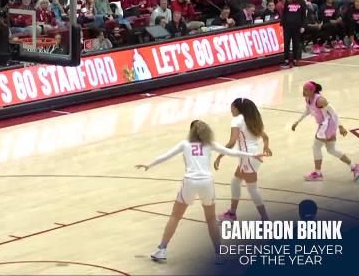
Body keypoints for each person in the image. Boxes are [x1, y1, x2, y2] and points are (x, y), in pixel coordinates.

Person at [135, 120, 265, 263]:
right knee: (211, 220)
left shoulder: (185, 144)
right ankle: (219, 255)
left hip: (190, 182)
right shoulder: (210, 144)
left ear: (191, 131)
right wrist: (252, 155)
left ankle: (162, 249)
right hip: (207, 183)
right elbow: (231, 152)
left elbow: (165, 156)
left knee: (175, 216)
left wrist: (149, 164)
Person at [214, 98, 272, 222]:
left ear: (236, 108)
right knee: (235, 181)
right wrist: (266, 147)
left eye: (232, 107)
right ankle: (232, 213)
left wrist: (220, 155)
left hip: (248, 158)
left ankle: (265, 219)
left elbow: (232, 142)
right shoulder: (250, 119)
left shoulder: (236, 120)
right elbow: (265, 137)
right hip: (252, 156)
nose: (230, 110)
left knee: (252, 188)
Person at [292, 81, 359, 181]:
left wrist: (340, 126)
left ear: (312, 90)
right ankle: (354, 167)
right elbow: (307, 110)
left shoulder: (320, 100)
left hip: (328, 125)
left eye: (305, 89)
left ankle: (318, 173)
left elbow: (334, 113)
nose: (303, 91)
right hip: (323, 125)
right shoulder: (308, 98)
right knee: (331, 150)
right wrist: (297, 121)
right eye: (303, 89)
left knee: (316, 146)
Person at [280, 0, 307, 68]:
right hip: (287, 26)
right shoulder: (288, 1)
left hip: (297, 26)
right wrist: (282, 24)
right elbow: (284, 13)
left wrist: (303, 26)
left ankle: (295, 59)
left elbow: (303, 15)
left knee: (296, 43)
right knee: (287, 44)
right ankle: (286, 60)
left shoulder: (302, 2)